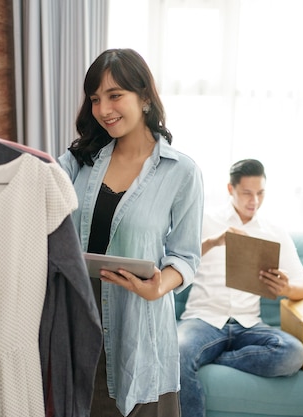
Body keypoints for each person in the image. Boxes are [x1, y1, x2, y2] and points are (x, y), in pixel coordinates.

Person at [57, 48, 203, 417]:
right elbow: (34, 186)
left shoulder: (181, 172)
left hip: (138, 323)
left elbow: (185, 257)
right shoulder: (78, 161)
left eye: (115, 95)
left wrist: (158, 287)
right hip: (79, 321)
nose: (103, 109)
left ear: (145, 98)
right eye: (95, 99)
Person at [177, 158, 303, 417]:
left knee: (293, 354)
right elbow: (177, 258)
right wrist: (215, 241)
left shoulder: (273, 231)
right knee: (178, 351)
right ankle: (205, 355)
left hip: (249, 325)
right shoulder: (205, 220)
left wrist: (286, 288)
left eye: (260, 193)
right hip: (203, 319)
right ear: (231, 190)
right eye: (247, 193)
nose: (254, 201)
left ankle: (217, 358)